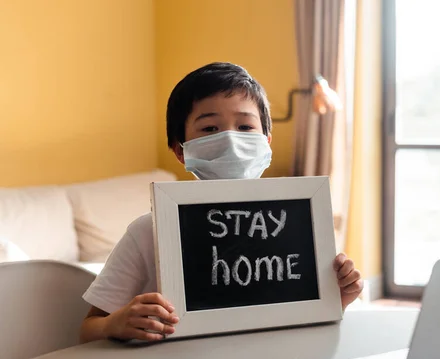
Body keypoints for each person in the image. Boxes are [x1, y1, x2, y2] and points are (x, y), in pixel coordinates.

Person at [79, 62, 363, 343]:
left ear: (267, 141)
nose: (230, 139)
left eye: (245, 126)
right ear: (181, 150)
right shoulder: (148, 231)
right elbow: (88, 329)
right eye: (210, 128)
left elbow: (302, 321)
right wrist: (114, 324)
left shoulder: (298, 222)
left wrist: (337, 300)